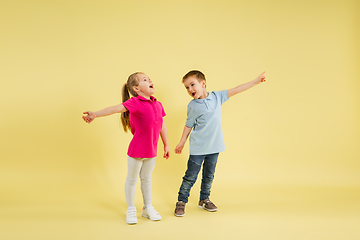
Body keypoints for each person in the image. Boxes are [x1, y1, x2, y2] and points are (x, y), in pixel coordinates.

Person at [174, 70, 266, 217]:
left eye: (192, 85)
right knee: (190, 176)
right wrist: (182, 142)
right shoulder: (192, 105)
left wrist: (255, 81)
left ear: (203, 83)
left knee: (209, 176)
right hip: (198, 148)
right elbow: (188, 125)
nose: (190, 89)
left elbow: (237, 89)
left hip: (214, 147)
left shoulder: (217, 97)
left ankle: (204, 199)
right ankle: (181, 201)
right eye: (187, 87)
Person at [82, 72, 170, 224]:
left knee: (146, 179)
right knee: (131, 180)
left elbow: (162, 125)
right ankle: (131, 209)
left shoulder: (158, 104)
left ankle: (147, 207)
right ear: (136, 89)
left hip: (152, 151)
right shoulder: (135, 103)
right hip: (136, 151)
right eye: (145, 80)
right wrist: (95, 114)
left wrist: (166, 144)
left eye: (149, 78)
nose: (150, 80)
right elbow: (115, 109)